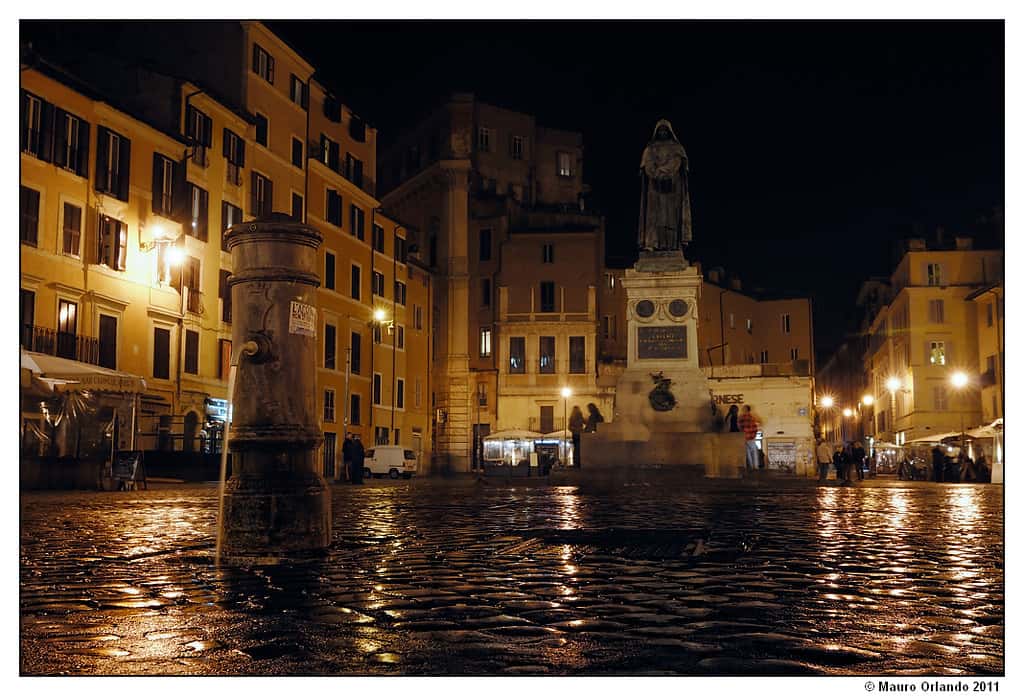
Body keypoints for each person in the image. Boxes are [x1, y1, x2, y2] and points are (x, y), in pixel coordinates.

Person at [737, 405, 760, 471]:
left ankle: (751, 467)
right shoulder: (752, 417)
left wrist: (743, 434)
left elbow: (739, 428)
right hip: (751, 437)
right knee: (754, 452)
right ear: (749, 410)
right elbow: (755, 428)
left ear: (745, 410)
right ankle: (755, 468)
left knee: (748, 453)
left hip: (744, 438)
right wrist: (754, 435)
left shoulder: (741, 418)